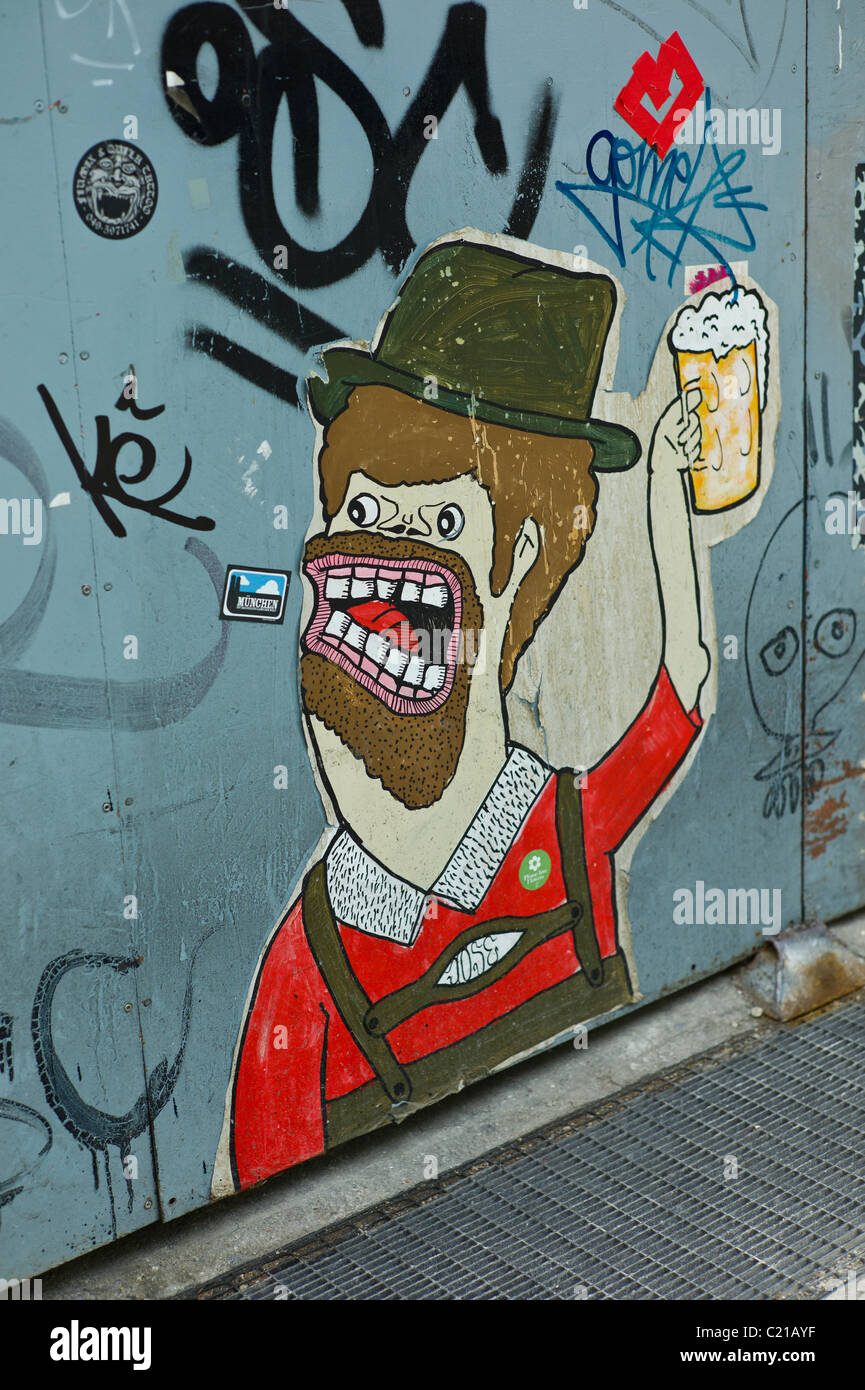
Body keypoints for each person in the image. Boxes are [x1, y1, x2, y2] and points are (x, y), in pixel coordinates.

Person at [214, 234, 709, 1193]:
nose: (386, 560)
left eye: (441, 524)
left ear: (518, 563)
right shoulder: (306, 976)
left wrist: (666, 496)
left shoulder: (564, 834)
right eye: (363, 511)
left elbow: (679, 686)